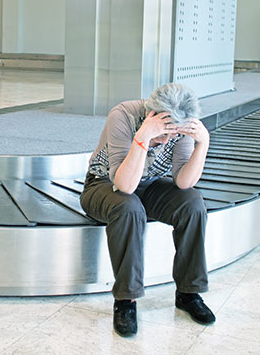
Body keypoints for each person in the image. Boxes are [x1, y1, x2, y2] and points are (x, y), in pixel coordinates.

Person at [80, 83, 214, 337]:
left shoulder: (179, 126)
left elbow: (184, 182)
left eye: (173, 136)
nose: (166, 141)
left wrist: (203, 144)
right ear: (152, 115)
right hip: (105, 185)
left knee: (193, 203)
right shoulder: (123, 115)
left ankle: (188, 293)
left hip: (149, 184)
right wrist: (142, 137)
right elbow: (125, 185)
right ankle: (126, 300)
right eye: (163, 133)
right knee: (129, 207)